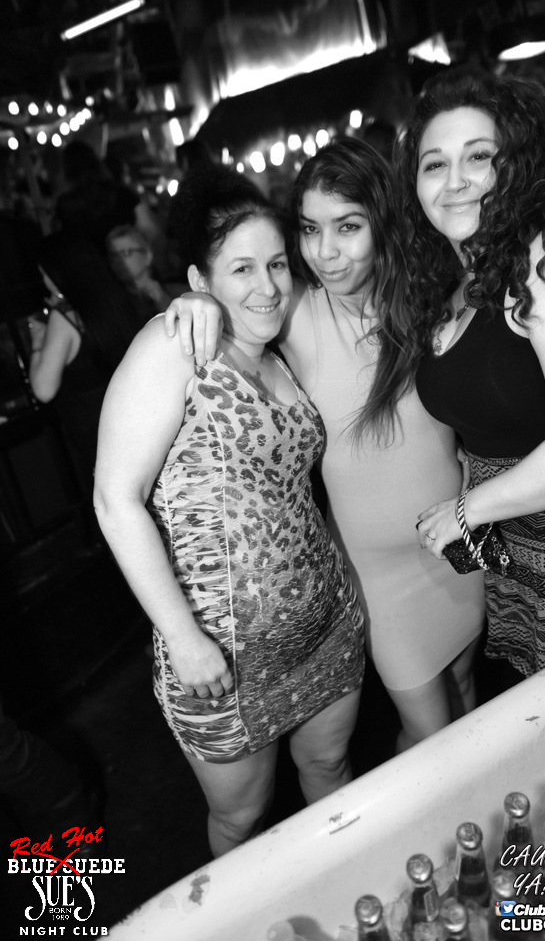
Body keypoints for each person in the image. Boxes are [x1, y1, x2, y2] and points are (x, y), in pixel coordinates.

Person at [164, 139, 487, 754]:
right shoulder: (293, 312)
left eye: (348, 226)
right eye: (310, 229)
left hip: (458, 542)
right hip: (378, 576)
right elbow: (236, 296)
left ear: (382, 223)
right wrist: (195, 299)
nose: (325, 251)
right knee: (435, 739)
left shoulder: (429, 297)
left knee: (467, 688)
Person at [357, 68, 545, 678]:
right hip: (528, 557)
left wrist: (466, 510)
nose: (455, 181)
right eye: (434, 164)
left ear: (518, 164)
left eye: (479, 156)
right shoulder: (458, 283)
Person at [93, 168, 364, 857]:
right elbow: (115, 500)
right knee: (242, 821)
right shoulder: (174, 346)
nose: (267, 285)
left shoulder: (279, 351)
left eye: (276, 264)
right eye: (241, 268)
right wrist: (183, 639)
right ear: (199, 279)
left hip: (327, 626)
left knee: (330, 769)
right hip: (223, 660)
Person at [29, 236, 144, 498]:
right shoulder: (117, 300)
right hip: (135, 422)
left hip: (97, 435)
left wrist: (37, 341)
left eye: (44, 273)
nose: (43, 280)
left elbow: (43, 390)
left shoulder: (65, 317)